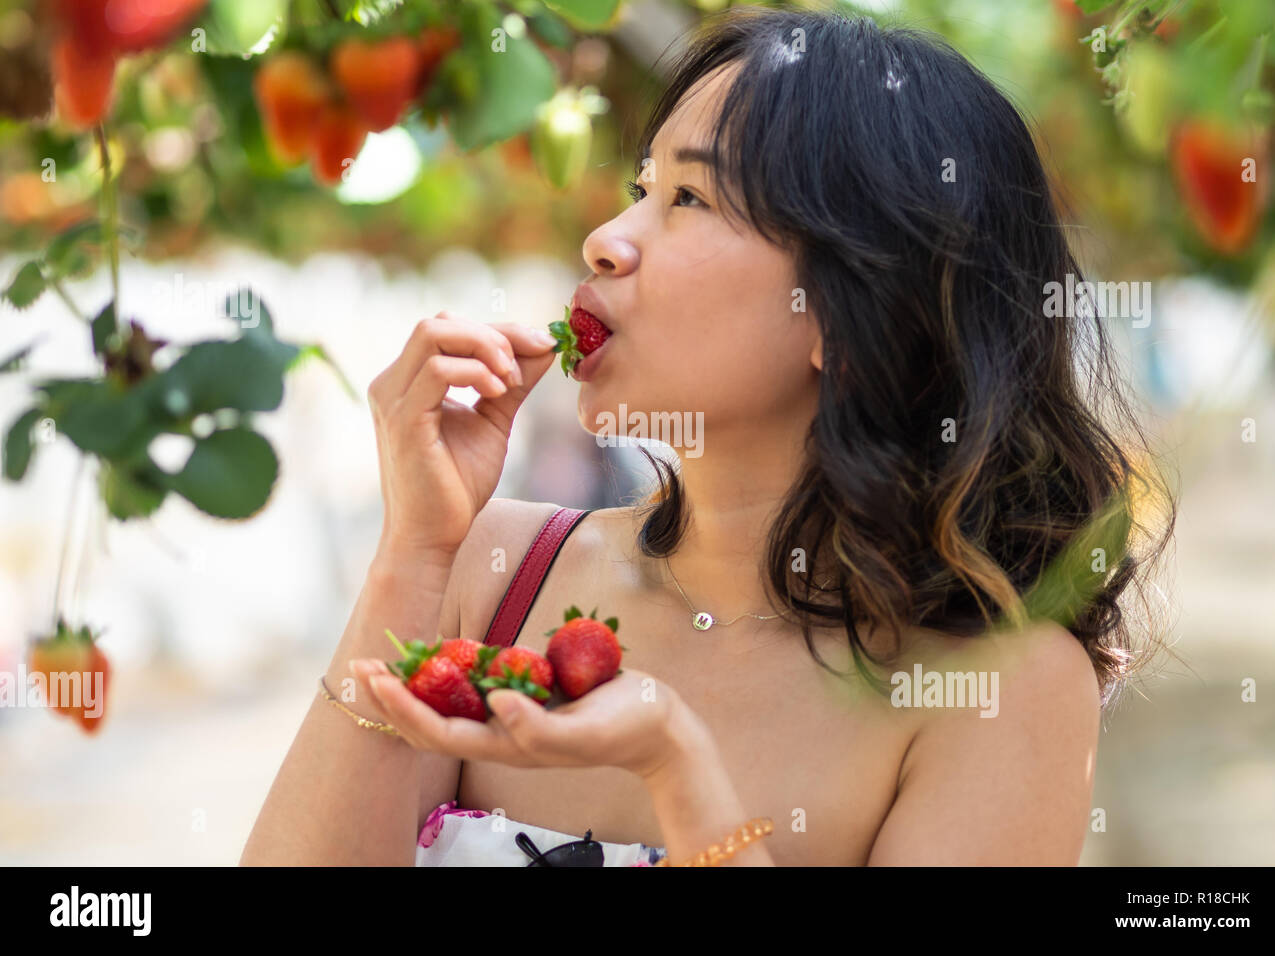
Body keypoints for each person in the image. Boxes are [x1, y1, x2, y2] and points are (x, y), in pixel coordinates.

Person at [242, 6, 1174, 867]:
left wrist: (678, 771)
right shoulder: (493, 570)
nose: (605, 238)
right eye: (641, 186)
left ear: (850, 314)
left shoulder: (1000, 687)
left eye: (690, 199)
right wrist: (413, 554)